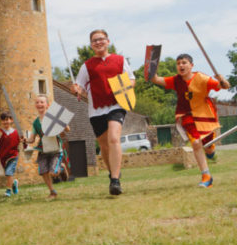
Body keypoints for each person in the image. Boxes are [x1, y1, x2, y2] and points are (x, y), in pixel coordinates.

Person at [148, 53, 230, 187]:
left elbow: (224, 86)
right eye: (178, 63)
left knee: (208, 146)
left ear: (191, 65)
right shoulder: (175, 80)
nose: (181, 65)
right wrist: (151, 62)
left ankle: (210, 150)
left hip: (204, 115)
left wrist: (222, 80)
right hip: (186, 115)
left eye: (184, 63)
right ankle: (206, 176)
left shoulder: (203, 78)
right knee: (196, 143)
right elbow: (155, 79)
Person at [72, 29, 131, 196]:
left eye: (101, 39)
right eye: (94, 41)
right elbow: (80, 87)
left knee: (114, 138)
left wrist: (124, 88)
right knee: (104, 146)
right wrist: (77, 90)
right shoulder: (87, 66)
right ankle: (114, 172)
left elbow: (131, 80)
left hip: (116, 105)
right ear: (91, 45)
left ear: (108, 41)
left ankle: (115, 180)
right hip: (96, 109)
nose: (98, 42)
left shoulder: (120, 60)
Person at [30, 95, 70, 199]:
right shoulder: (35, 122)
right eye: (37, 102)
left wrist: (62, 122)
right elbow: (32, 139)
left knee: (53, 173)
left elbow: (67, 129)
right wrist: (26, 140)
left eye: (42, 102)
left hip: (56, 148)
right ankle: (52, 191)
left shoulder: (53, 116)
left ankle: (61, 168)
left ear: (47, 105)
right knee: (43, 171)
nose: (39, 104)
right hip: (43, 149)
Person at [0, 112, 20, 198]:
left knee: (8, 173)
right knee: (7, 174)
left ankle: (8, 191)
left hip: (13, 156)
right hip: (3, 157)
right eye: (3, 120)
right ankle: (14, 183)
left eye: (7, 119)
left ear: (11, 120)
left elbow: (21, 142)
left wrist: (24, 142)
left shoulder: (16, 133)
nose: (5, 122)